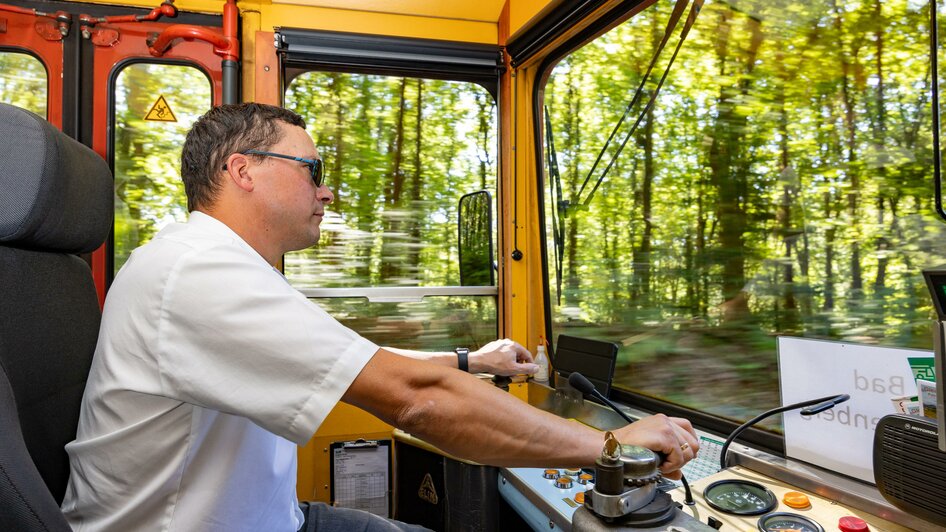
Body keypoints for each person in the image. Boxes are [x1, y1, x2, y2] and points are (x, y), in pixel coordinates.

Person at [61, 103, 699, 531]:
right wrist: (612, 445)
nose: (326, 189)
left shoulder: (216, 264)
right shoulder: (197, 272)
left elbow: (349, 366)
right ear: (242, 170)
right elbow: (414, 400)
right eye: (312, 169)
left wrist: (470, 362)